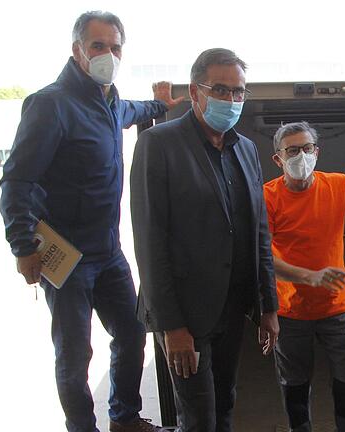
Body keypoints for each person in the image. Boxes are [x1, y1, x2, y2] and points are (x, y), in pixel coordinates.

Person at [0, 11, 184, 432]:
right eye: (98, 46)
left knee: (133, 334)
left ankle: (123, 417)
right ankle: (82, 427)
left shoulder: (109, 102)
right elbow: (17, 179)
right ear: (77, 50)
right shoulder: (51, 105)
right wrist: (23, 245)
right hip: (65, 256)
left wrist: (160, 104)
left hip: (107, 251)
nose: (108, 54)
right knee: (75, 354)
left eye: (115, 47)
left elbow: (132, 111)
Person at [130, 48, 279, 432]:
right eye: (221, 89)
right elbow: (150, 242)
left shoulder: (244, 149)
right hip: (184, 314)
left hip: (231, 307)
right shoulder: (159, 145)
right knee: (198, 416)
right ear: (196, 93)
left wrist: (268, 305)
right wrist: (171, 326)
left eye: (239, 91)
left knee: (226, 400)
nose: (231, 100)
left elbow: (258, 231)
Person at [263, 122, 345, 432]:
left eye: (307, 149)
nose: (302, 156)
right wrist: (309, 277)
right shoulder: (267, 198)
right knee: (294, 384)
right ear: (278, 159)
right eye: (293, 150)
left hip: (336, 307)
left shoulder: (340, 186)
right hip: (290, 311)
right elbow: (262, 256)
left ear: (317, 152)